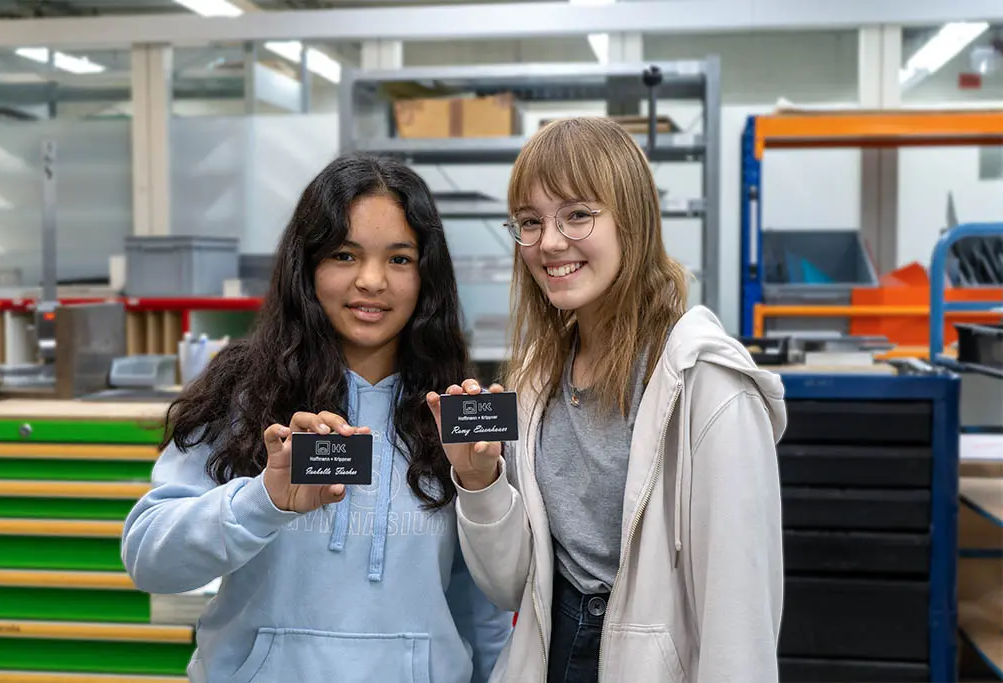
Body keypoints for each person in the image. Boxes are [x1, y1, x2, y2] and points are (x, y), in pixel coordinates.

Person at [122, 153, 513, 683]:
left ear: (428, 276)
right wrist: (264, 499)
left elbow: (485, 603)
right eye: (344, 255)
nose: (371, 280)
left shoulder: (459, 413)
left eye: (399, 259)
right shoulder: (242, 392)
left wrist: (481, 483)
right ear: (306, 266)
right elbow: (150, 561)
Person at [427, 117, 786, 683]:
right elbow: (511, 587)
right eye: (530, 222)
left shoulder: (707, 384)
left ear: (631, 220)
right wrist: (480, 480)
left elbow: (739, 622)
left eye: (577, 215)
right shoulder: (537, 377)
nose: (549, 242)